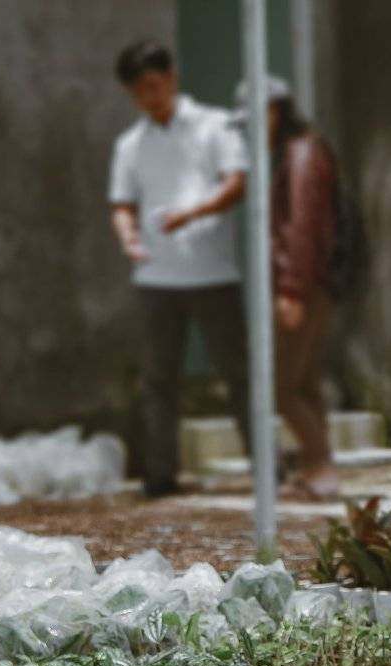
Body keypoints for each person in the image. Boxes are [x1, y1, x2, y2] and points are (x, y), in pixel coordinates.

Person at [108, 39, 252, 499]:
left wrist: (190, 214)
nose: (149, 97)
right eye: (138, 91)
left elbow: (237, 183)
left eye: (154, 85)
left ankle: (264, 463)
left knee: (238, 373)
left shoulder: (215, 125)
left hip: (213, 272)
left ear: (172, 77)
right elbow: (122, 204)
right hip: (155, 278)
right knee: (158, 380)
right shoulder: (130, 144)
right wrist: (128, 236)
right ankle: (160, 473)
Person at [235, 75, 339, 501]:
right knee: (305, 382)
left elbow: (303, 225)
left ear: (273, 111)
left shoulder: (301, 155)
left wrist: (292, 289)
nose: (249, 130)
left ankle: (322, 468)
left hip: (303, 285)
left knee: (279, 387)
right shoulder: (298, 152)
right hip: (309, 283)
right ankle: (318, 471)